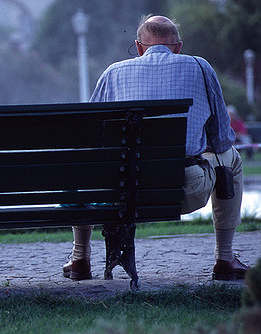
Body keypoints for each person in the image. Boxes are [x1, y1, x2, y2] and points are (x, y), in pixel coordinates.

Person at [63, 15, 250, 282]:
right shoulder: (200, 67)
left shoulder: (113, 72)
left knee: (84, 165)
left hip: (123, 193)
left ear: (139, 47)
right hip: (185, 189)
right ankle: (225, 258)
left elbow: (92, 140)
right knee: (231, 158)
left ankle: (80, 258)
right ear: (178, 46)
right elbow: (222, 140)